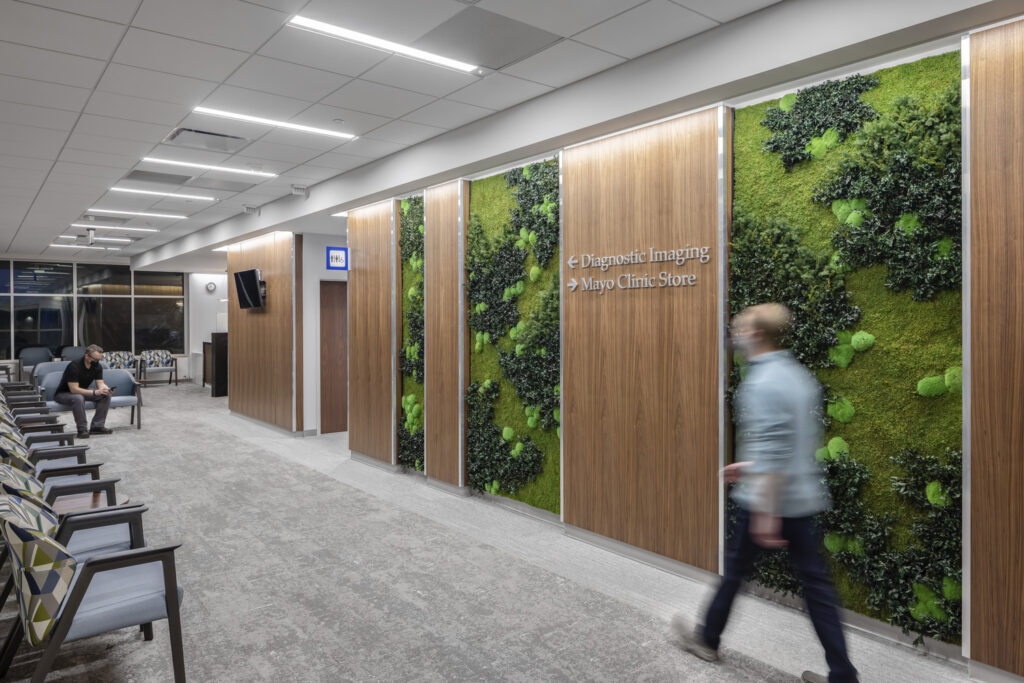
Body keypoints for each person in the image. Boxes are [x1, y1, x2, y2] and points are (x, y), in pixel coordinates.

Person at [671, 303, 858, 683]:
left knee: (735, 571)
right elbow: (789, 444)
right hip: (802, 497)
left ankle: (706, 639)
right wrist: (750, 466)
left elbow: (773, 449)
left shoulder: (761, 382)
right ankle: (843, 675)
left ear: (756, 335)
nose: (735, 334)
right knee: (817, 588)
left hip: (767, 501)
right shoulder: (798, 377)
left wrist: (769, 512)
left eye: (739, 328)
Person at [54, 344, 113, 439]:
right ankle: (82, 430)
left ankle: (97, 427)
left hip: (81, 392)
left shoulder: (97, 366)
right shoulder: (74, 366)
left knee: (105, 395)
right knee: (78, 397)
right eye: (95, 359)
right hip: (64, 393)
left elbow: (100, 383)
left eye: (99, 359)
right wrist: (94, 393)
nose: (97, 362)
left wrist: (105, 388)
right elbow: (74, 389)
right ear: (86, 356)